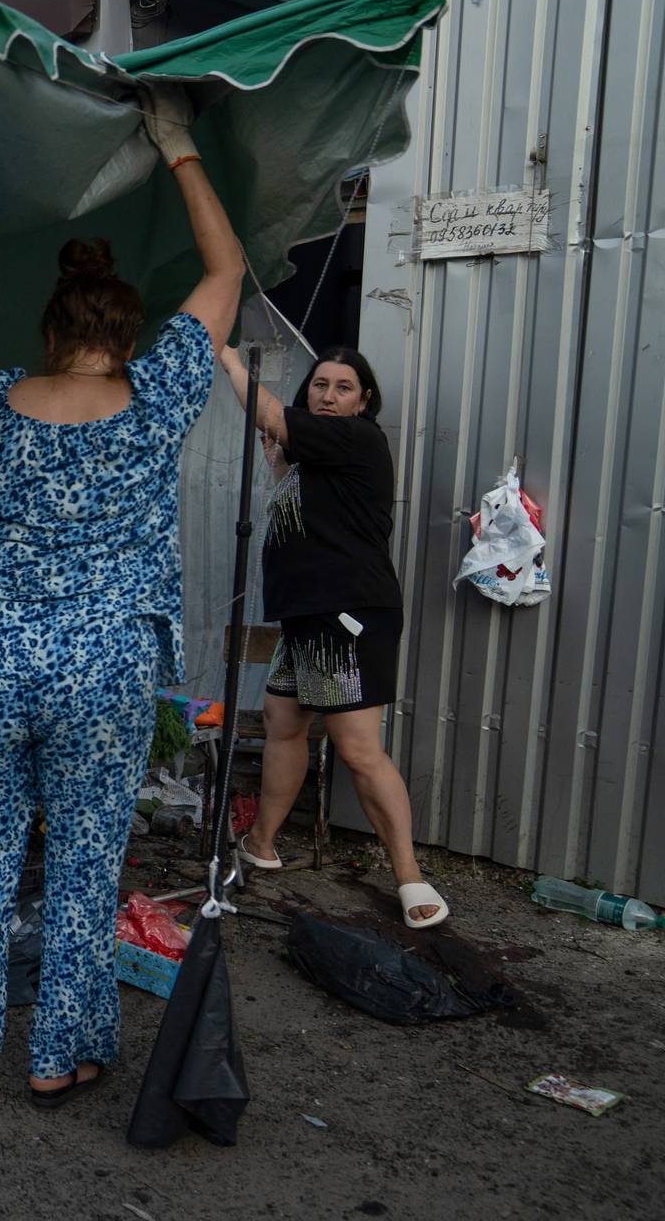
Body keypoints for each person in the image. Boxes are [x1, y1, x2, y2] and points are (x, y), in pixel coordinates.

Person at [0, 87, 243, 1108]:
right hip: (105, 665)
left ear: (48, 331)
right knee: (87, 862)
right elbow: (225, 270)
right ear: (127, 333)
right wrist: (177, 146)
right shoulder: (161, 391)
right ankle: (58, 1054)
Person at [216, 343, 449, 929]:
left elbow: (270, 415)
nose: (328, 395)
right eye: (320, 384)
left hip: (347, 618)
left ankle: (409, 876)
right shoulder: (313, 459)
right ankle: (263, 844)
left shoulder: (359, 438)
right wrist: (278, 463)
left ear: (364, 400)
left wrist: (233, 363)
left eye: (344, 386)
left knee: (358, 748)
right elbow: (309, 507)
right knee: (284, 721)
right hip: (307, 620)